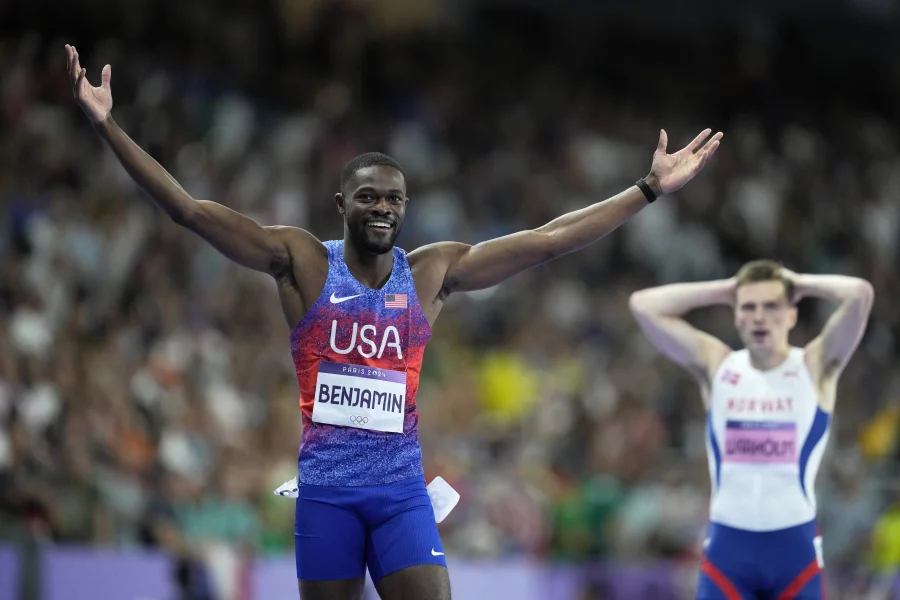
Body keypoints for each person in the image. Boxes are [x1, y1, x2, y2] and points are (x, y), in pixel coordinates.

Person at [65, 44, 722, 600]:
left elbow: (549, 240)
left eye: (394, 199)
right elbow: (187, 210)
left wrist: (646, 189)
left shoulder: (431, 273)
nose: (383, 208)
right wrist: (107, 125)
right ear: (341, 203)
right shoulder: (302, 262)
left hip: (401, 495)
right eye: (369, 197)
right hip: (327, 496)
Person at [629, 260, 874, 599]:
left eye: (771, 306)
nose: (759, 316)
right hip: (729, 553)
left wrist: (798, 283)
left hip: (793, 554)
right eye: (748, 307)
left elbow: (860, 294)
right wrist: (726, 290)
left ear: (791, 315)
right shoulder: (718, 364)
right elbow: (643, 305)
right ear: (736, 316)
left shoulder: (815, 366)